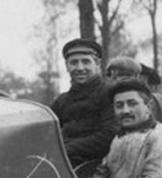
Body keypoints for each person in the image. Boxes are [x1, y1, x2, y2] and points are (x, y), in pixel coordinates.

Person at [106, 57, 162, 157]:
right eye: (114, 76)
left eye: (126, 76)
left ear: (137, 77)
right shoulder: (105, 104)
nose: (119, 81)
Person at [50, 38, 119, 167]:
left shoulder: (108, 93)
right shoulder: (61, 101)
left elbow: (110, 135)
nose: (80, 68)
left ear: (97, 64)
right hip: (64, 162)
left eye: (86, 62)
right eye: (74, 63)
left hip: (98, 165)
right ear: (67, 66)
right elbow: (45, 130)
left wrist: (64, 149)